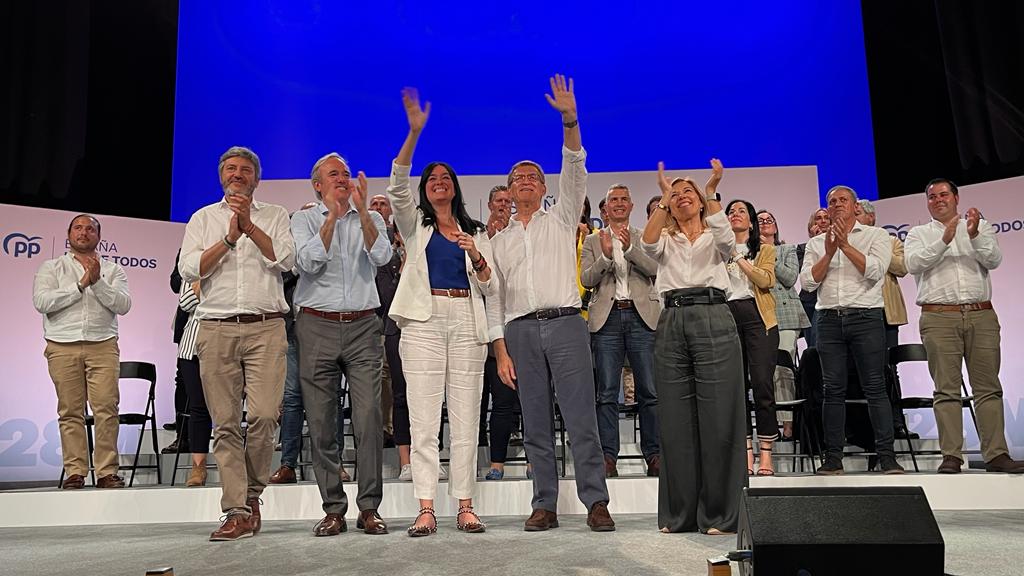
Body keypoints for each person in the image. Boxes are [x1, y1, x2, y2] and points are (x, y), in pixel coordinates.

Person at [490, 74, 615, 532]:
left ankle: (596, 502)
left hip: (565, 324)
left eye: (533, 176)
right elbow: (495, 301)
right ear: (508, 191)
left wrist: (570, 120)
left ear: (544, 188)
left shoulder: (563, 219)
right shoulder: (499, 243)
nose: (526, 181)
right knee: (535, 422)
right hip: (520, 330)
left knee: (581, 416)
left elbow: (576, 167)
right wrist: (500, 350)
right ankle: (544, 502)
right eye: (518, 177)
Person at [387, 88, 497, 536]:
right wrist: (413, 134)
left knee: (468, 415)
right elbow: (396, 185)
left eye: (445, 178)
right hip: (424, 320)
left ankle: (465, 504)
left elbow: (492, 285)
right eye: (431, 178)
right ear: (425, 189)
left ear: (454, 187)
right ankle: (427, 506)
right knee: (424, 415)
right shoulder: (416, 224)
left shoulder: (475, 230)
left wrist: (477, 257)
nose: (438, 182)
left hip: (468, 321)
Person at [180, 146, 295, 541]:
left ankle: (253, 493)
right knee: (225, 423)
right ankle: (235, 509)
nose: (238, 174)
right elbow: (189, 267)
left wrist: (249, 226)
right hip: (216, 327)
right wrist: (229, 239)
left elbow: (285, 260)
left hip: (266, 327)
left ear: (256, 179)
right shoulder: (202, 218)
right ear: (221, 176)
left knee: (264, 416)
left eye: (246, 170)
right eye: (231, 169)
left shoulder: (276, 216)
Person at [641, 159, 745, 535]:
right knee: (676, 418)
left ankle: (720, 514)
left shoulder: (715, 233)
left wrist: (713, 189)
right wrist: (664, 201)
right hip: (672, 320)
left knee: (719, 418)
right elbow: (646, 244)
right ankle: (679, 514)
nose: (682, 197)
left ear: (701, 201)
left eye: (689, 193)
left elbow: (728, 243)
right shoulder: (665, 238)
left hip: (713, 315)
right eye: (675, 192)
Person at [290, 151, 392, 537]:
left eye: (347, 174)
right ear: (318, 185)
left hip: (364, 325)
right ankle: (333, 508)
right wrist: (332, 216)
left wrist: (363, 212)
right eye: (335, 175)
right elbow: (309, 262)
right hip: (316, 324)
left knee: (368, 418)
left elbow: (381, 256)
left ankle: (369, 508)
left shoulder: (374, 218)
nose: (343, 180)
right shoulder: (302, 219)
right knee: (321, 422)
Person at [904, 179, 1024, 474]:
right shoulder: (919, 233)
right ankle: (952, 456)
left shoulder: (980, 226)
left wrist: (972, 236)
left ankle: (996, 454)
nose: (938, 200)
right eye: (932, 197)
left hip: (980, 314)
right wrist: (945, 239)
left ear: (956, 197)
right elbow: (914, 263)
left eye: (944, 194)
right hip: (938, 316)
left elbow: (993, 259)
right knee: (946, 390)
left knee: (988, 388)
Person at [799, 185, 903, 475]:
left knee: (875, 387)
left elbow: (875, 271)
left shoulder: (876, 235)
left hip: (866, 318)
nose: (837, 205)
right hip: (829, 320)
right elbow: (808, 282)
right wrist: (830, 251)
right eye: (832, 202)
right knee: (832, 390)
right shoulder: (817, 243)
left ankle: (886, 457)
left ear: (855, 206)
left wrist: (844, 245)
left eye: (843, 200)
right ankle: (833, 458)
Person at [33, 214, 132, 489]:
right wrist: (80, 285)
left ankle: (106, 472)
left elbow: (123, 305)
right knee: (70, 411)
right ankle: (75, 471)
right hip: (61, 345)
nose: (84, 232)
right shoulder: (51, 268)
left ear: (98, 237)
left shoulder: (113, 270)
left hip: (103, 345)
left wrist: (97, 281)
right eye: (78, 228)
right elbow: (42, 302)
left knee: (106, 408)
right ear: (68, 234)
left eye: (90, 229)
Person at [580, 184, 661, 477]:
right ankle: (608, 457)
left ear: (631, 205)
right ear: (604, 208)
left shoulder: (646, 236)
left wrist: (629, 249)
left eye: (623, 199)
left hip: (642, 317)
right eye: (613, 199)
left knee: (650, 391)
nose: (618, 204)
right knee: (606, 393)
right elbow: (587, 279)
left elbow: (654, 268)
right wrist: (604, 257)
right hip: (607, 318)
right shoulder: (592, 240)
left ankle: (654, 455)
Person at [724, 199, 779, 476]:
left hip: (758, 317)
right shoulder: (718, 250)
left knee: (762, 385)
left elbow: (766, 281)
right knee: (735, 387)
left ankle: (766, 453)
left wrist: (739, 259)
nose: (735, 215)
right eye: (731, 212)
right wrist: (727, 254)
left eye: (741, 211)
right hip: (728, 316)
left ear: (751, 220)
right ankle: (745, 451)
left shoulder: (765, 249)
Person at [855, 199, 917, 440]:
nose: (855, 217)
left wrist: (876, 248)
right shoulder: (849, 242)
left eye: (858, 213)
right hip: (859, 313)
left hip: (885, 316)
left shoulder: (891, 241)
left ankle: (896, 423)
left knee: (888, 370)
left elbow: (901, 267)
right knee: (862, 372)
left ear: (872, 218)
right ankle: (866, 426)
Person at [480, 184, 526, 481]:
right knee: (489, 404)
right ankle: (494, 464)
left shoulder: (519, 236)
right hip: (481, 334)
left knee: (520, 401)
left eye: (508, 201)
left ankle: (533, 463)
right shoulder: (478, 238)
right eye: (498, 200)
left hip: (516, 326)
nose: (504, 205)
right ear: (489, 204)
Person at [756, 210, 810, 442]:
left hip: (786, 315)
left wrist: (768, 254)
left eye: (770, 220)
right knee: (763, 372)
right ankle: (769, 424)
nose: (766, 224)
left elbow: (789, 278)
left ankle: (787, 424)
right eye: (760, 221)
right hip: (760, 314)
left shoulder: (788, 250)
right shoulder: (749, 252)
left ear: (776, 227)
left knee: (783, 370)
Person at [371, 194, 413, 479]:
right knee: (401, 397)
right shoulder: (387, 262)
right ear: (395, 234)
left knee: (427, 398)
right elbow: (387, 297)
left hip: (427, 332)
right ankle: (406, 461)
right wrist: (404, 267)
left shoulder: (426, 259)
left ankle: (429, 456)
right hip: (395, 331)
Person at [176, 280, 212, 486]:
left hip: (228, 345)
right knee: (199, 407)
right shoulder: (193, 265)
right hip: (192, 347)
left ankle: (235, 467)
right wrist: (206, 277)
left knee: (228, 410)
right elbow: (186, 303)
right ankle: (198, 467)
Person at [798, 208, 830, 347]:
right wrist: (816, 240)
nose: (823, 221)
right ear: (812, 223)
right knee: (813, 343)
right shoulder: (802, 248)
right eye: (818, 218)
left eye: (826, 217)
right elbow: (806, 273)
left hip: (830, 297)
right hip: (810, 300)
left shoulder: (841, 245)